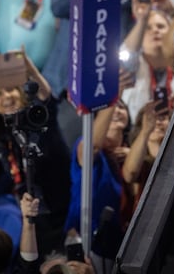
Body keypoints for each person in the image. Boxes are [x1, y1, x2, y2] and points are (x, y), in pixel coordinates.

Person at [0, 48, 71, 264]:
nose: (6, 97)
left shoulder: (38, 118)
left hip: (63, 210)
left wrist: (28, 66)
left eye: (11, 90)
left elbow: (46, 97)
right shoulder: (0, 137)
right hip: (32, 216)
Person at [64, 97, 131, 274]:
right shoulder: (83, 145)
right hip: (88, 245)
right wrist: (113, 95)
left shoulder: (130, 150)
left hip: (122, 246)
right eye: (112, 107)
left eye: (121, 107)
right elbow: (92, 148)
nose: (116, 110)